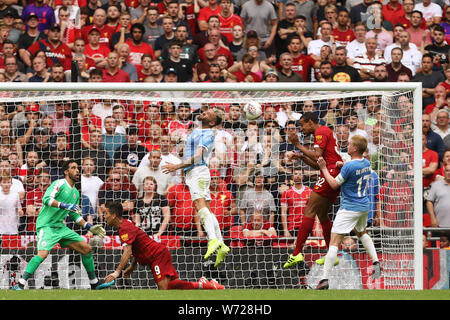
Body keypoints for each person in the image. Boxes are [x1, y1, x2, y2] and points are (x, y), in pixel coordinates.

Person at [12, 160, 113, 291]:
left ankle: (94, 284)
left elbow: (74, 215)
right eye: (73, 168)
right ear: (66, 172)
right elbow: (46, 199)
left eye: (78, 168)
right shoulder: (59, 183)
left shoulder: (76, 193)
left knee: (86, 249)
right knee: (42, 254)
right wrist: (64, 205)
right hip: (46, 225)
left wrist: (90, 227)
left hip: (60, 227)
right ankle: (20, 284)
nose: (77, 171)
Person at [102, 201, 224, 289]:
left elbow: (128, 251)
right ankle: (204, 284)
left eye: (106, 213)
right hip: (158, 254)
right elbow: (136, 247)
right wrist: (133, 266)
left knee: (164, 289)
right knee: (173, 286)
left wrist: (117, 272)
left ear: (113, 215)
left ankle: (203, 284)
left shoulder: (124, 228)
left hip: (158, 256)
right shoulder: (125, 225)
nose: (104, 216)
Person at [162, 108, 230, 267]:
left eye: (210, 112)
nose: (206, 111)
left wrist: (177, 166)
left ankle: (212, 239)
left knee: (199, 206)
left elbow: (198, 156)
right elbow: (187, 152)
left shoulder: (208, 133)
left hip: (198, 171)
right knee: (207, 208)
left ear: (212, 122)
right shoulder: (197, 131)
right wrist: (180, 146)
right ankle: (221, 244)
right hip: (194, 172)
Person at [315, 135, 381, 290]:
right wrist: (343, 164)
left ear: (355, 148)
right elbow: (353, 169)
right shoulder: (366, 163)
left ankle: (324, 279)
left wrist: (323, 167)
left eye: (350, 144)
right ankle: (376, 261)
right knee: (362, 233)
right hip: (364, 206)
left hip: (349, 208)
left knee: (334, 242)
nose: (348, 146)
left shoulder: (349, 167)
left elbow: (333, 184)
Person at [282, 111, 342, 269]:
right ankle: (331, 254)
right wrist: (301, 157)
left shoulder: (321, 131)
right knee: (322, 215)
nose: (301, 129)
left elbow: (317, 156)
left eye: (302, 125)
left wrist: (297, 145)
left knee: (309, 211)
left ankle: (296, 253)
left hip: (330, 173)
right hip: (330, 172)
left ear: (310, 122)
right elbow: (317, 164)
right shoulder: (325, 132)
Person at [280, 167, 312, 238]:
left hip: (307, 226)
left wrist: (317, 227)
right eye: (295, 174)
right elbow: (283, 212)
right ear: (292, 176)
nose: (298, 175)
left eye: (300, 174)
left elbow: (314, 210)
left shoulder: (310, 191)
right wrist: (285, 230)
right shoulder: (286, 193)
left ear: (303, 177)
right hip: (293, 227)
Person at [426, 164, 450, 228]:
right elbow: (429, 202)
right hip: (440, 225)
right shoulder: (435, 185)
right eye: (447, 171)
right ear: (444, 172)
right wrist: (432, 218)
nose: (449, 173)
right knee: (443, 238)